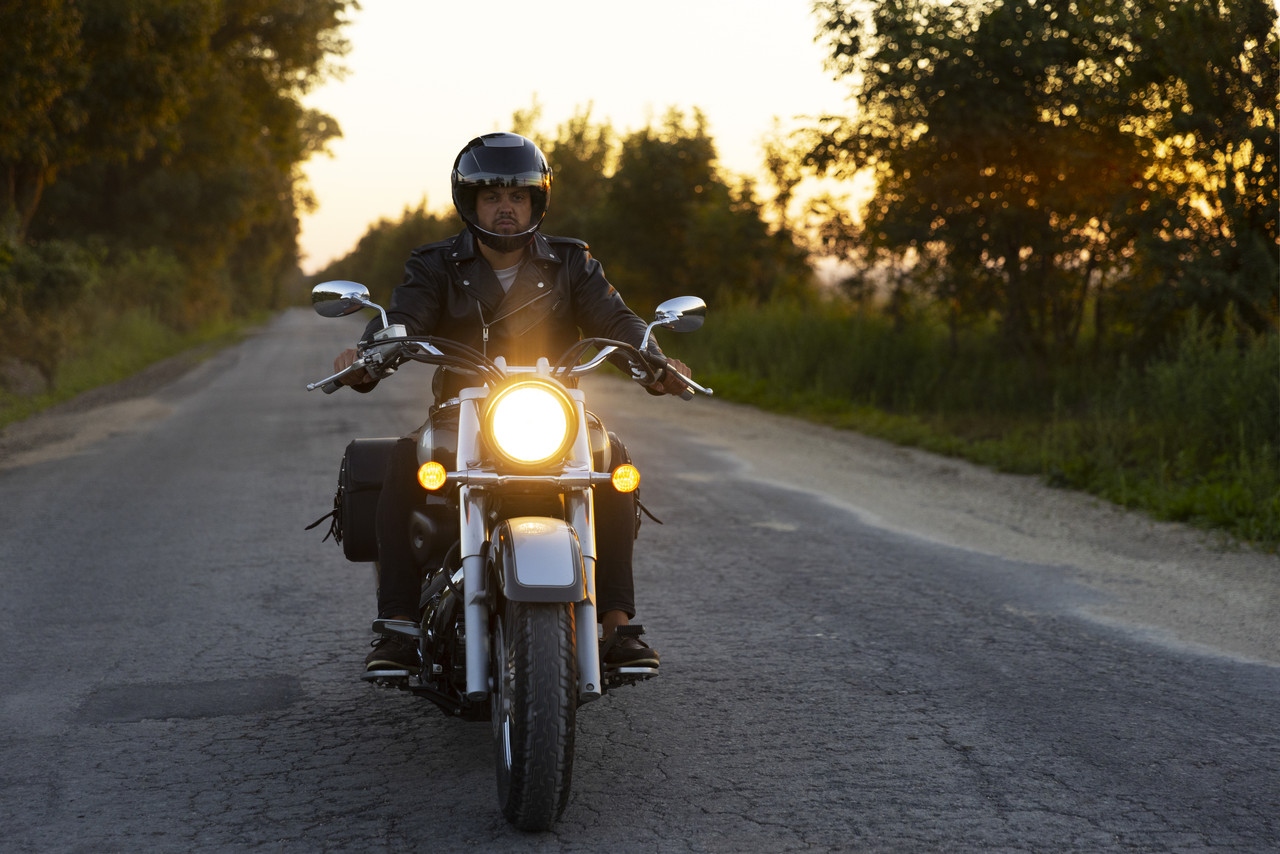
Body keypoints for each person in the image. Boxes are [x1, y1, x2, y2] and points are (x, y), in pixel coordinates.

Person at [332, 132, 691, 676]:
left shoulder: (571, 262)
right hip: (462, 413)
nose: (506, 207)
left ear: (536, 202)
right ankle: (398, 625)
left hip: (552, 409)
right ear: (470, 203)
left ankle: (617, 625)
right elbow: (405, 318)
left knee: (611, 456)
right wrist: (370, 355)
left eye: (517, 196)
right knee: (405, 458)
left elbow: (614, 319)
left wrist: (654, 360)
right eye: (492, 196)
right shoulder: (435, 264)